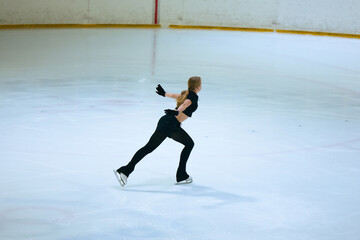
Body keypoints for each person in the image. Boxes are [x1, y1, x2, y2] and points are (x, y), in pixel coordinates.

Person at [113, 76, 202, 186]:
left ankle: (181, 175)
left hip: (170, 124)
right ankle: (125, 170)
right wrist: (177, 112)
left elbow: (177, 97)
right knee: (150, 147)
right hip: (170, 124)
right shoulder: (193, 97)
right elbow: (185, 104)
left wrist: (164, 94)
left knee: (188, 144)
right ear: (198, 86)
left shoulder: (187, 94)